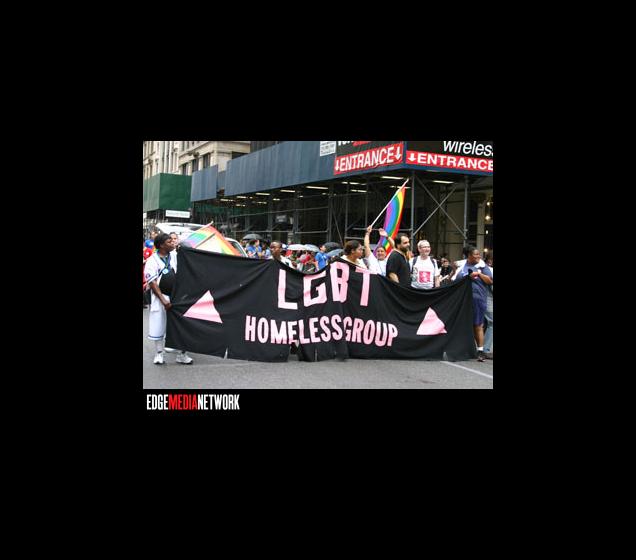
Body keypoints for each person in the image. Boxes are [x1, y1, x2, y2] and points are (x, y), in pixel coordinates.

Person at [143, 233, 193, 365]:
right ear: (161, 245)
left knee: (181, 325)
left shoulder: (175, 256)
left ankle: (182, 354)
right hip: (161, 297)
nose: (173, 243)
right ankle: (159, 354)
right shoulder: (152, 261)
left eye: (173, 241)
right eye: (169, 242)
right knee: (159, 324)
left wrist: (184, 249)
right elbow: (152, 282)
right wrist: (163, 300)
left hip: (177, 296)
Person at [453, 246, 493, 362]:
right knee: (464, 324)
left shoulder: (482, 266)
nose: (478, 256)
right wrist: (467, 276)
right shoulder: (462, 266)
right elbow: (455, 281)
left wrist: (479, 274)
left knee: (478, 325)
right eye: (475, 254)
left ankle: (481, 351)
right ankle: (462, 349)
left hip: (478, 300)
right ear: (469, 256)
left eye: (478, 254)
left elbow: (490, 281)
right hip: (464, 300)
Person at [483, 256, 493, 359]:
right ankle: (485, 349)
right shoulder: (490, 270)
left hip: (484, 298)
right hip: (488, 299)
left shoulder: (484, 268)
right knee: (491, 323)